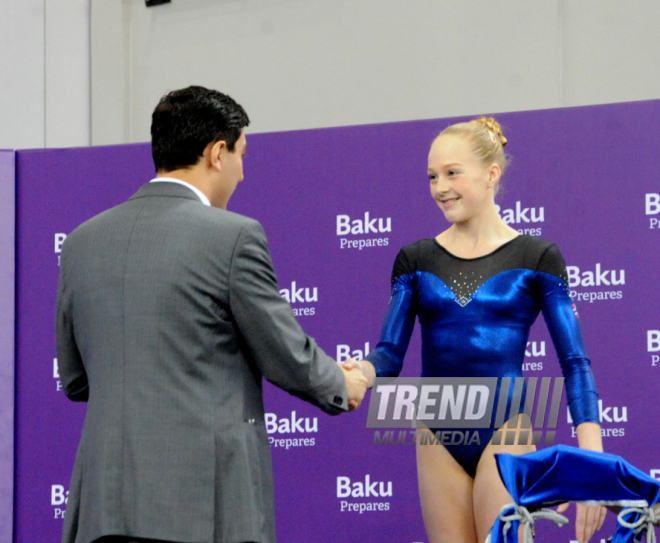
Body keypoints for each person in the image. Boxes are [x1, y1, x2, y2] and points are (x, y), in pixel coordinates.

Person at [55, 85, 368, 543]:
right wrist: (342, 383)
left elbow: (76, 379)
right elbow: (283, 351)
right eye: (242, 155)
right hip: (204, 509)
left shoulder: (81, 241)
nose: (242, 173)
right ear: (217, 153)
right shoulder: (233, 236)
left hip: (103, 507)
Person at [345, 118, 606, 543]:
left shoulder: (537, 256)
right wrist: (358, 375)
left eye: (452, 173)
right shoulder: (415, 260)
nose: (440, 187)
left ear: (491, 174)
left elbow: (574, 362)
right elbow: (389, 355)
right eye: (432, 176)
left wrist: (592, 457)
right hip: (437, 426)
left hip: (507, 427)